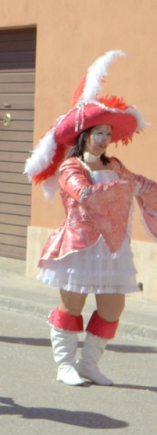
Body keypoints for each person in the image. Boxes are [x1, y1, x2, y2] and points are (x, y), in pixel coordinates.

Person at [25, 50, 157, 386]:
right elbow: (84, 195)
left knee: (113, 309)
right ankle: (64, 364)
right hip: (79, 247)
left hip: (114, 250)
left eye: (109, 135)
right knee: (72, 307)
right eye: (100, 133)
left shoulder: (115, 167)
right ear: (85, 135)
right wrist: (124, 188)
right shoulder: (71, 167)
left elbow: (141, 185)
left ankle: (89, 363)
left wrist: (137, 187)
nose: (105, 140)